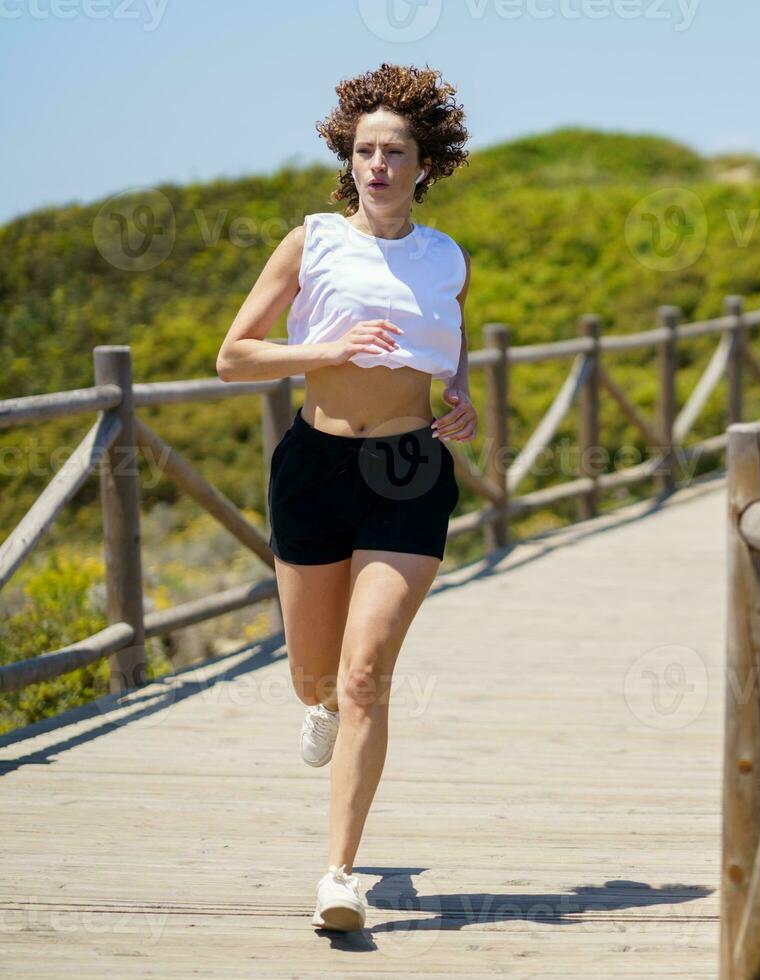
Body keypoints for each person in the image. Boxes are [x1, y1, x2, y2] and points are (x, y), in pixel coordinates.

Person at [215, 63, 474, 933]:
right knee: (316, 676)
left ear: (423, 163)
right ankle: (318, 706)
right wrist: (323, 351)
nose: (377, 166)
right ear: (348, 159)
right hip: (315, 467)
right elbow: (234, 356)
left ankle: (338, 875)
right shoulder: (312, 241)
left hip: (409, 472)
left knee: (368, 672)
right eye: (364, 150)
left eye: (394, 151)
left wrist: (459, 401)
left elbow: (446, 347)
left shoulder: (447, 257)